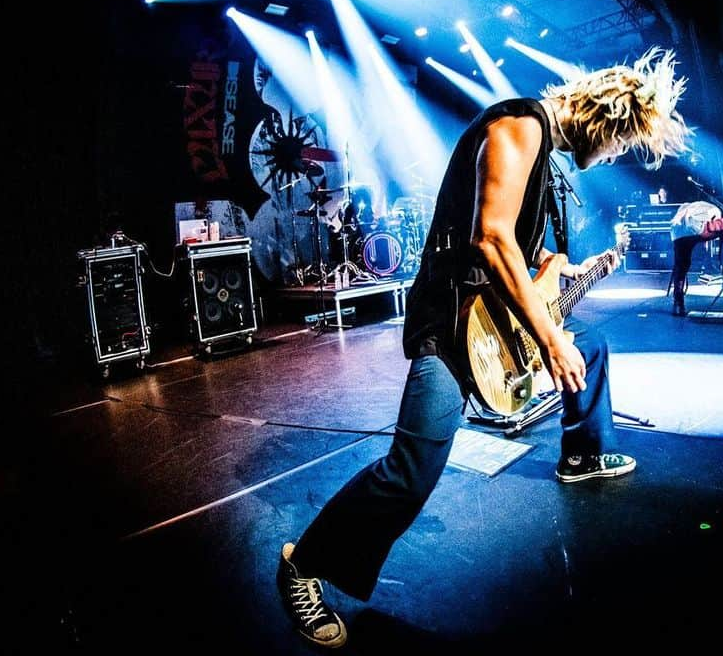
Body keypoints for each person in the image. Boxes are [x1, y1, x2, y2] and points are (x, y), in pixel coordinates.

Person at [276, 47, 693, 648]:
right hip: (450, 325)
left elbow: (520, 251)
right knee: (410, 471)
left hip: (489, 322)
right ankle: (303, 565)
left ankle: (581, 454)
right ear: (605, 123)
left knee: (591, 345)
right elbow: (490, 238)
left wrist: (555, 275)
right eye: (620, 144)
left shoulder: (545, 155)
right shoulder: (518, 128)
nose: (612, 158)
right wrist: (548, 336)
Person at [668, 200, 723, 315]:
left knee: (681, 267)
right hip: (696, 228)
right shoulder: (709, 207)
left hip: (678, 235)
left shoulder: (681, 213)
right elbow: (713, 222)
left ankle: (678, 304)